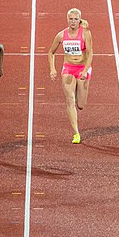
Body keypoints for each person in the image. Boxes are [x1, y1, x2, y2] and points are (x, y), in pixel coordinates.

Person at [47, 8, 92, 144]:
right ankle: (76, 133)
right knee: (69, 99)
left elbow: (90, 53)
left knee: (81, 105)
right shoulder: (61, 35)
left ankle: (79, 91)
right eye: (70, 19)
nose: (73, 22)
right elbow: (51, 52)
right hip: (68, 69)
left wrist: (85, 71)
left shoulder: (85, 33)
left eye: (75, 19)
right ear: (67, 20)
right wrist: (52, 69)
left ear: (79, 20)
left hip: (83, 68)